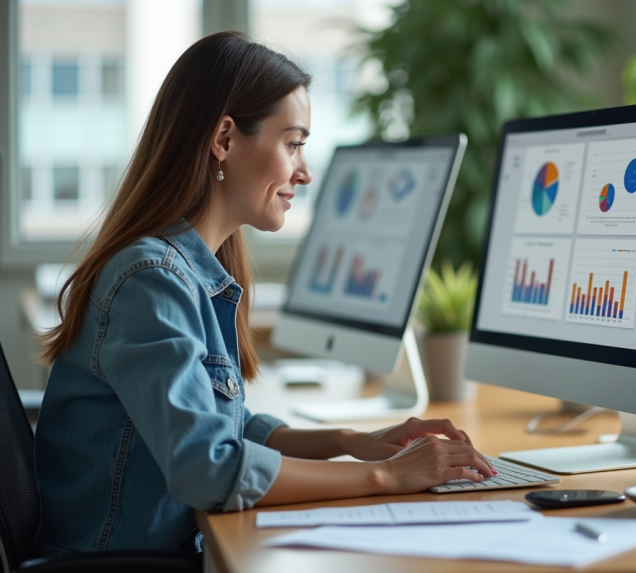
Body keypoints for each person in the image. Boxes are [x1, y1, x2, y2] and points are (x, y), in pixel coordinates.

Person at [34, 31, 494, 556]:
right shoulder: (152, 281)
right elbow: (207, 467)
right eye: (293, 143)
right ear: (224, 140)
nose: (305, 170)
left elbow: (227, 426)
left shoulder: (187, 270)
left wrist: (351, 443)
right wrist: (385, 477)